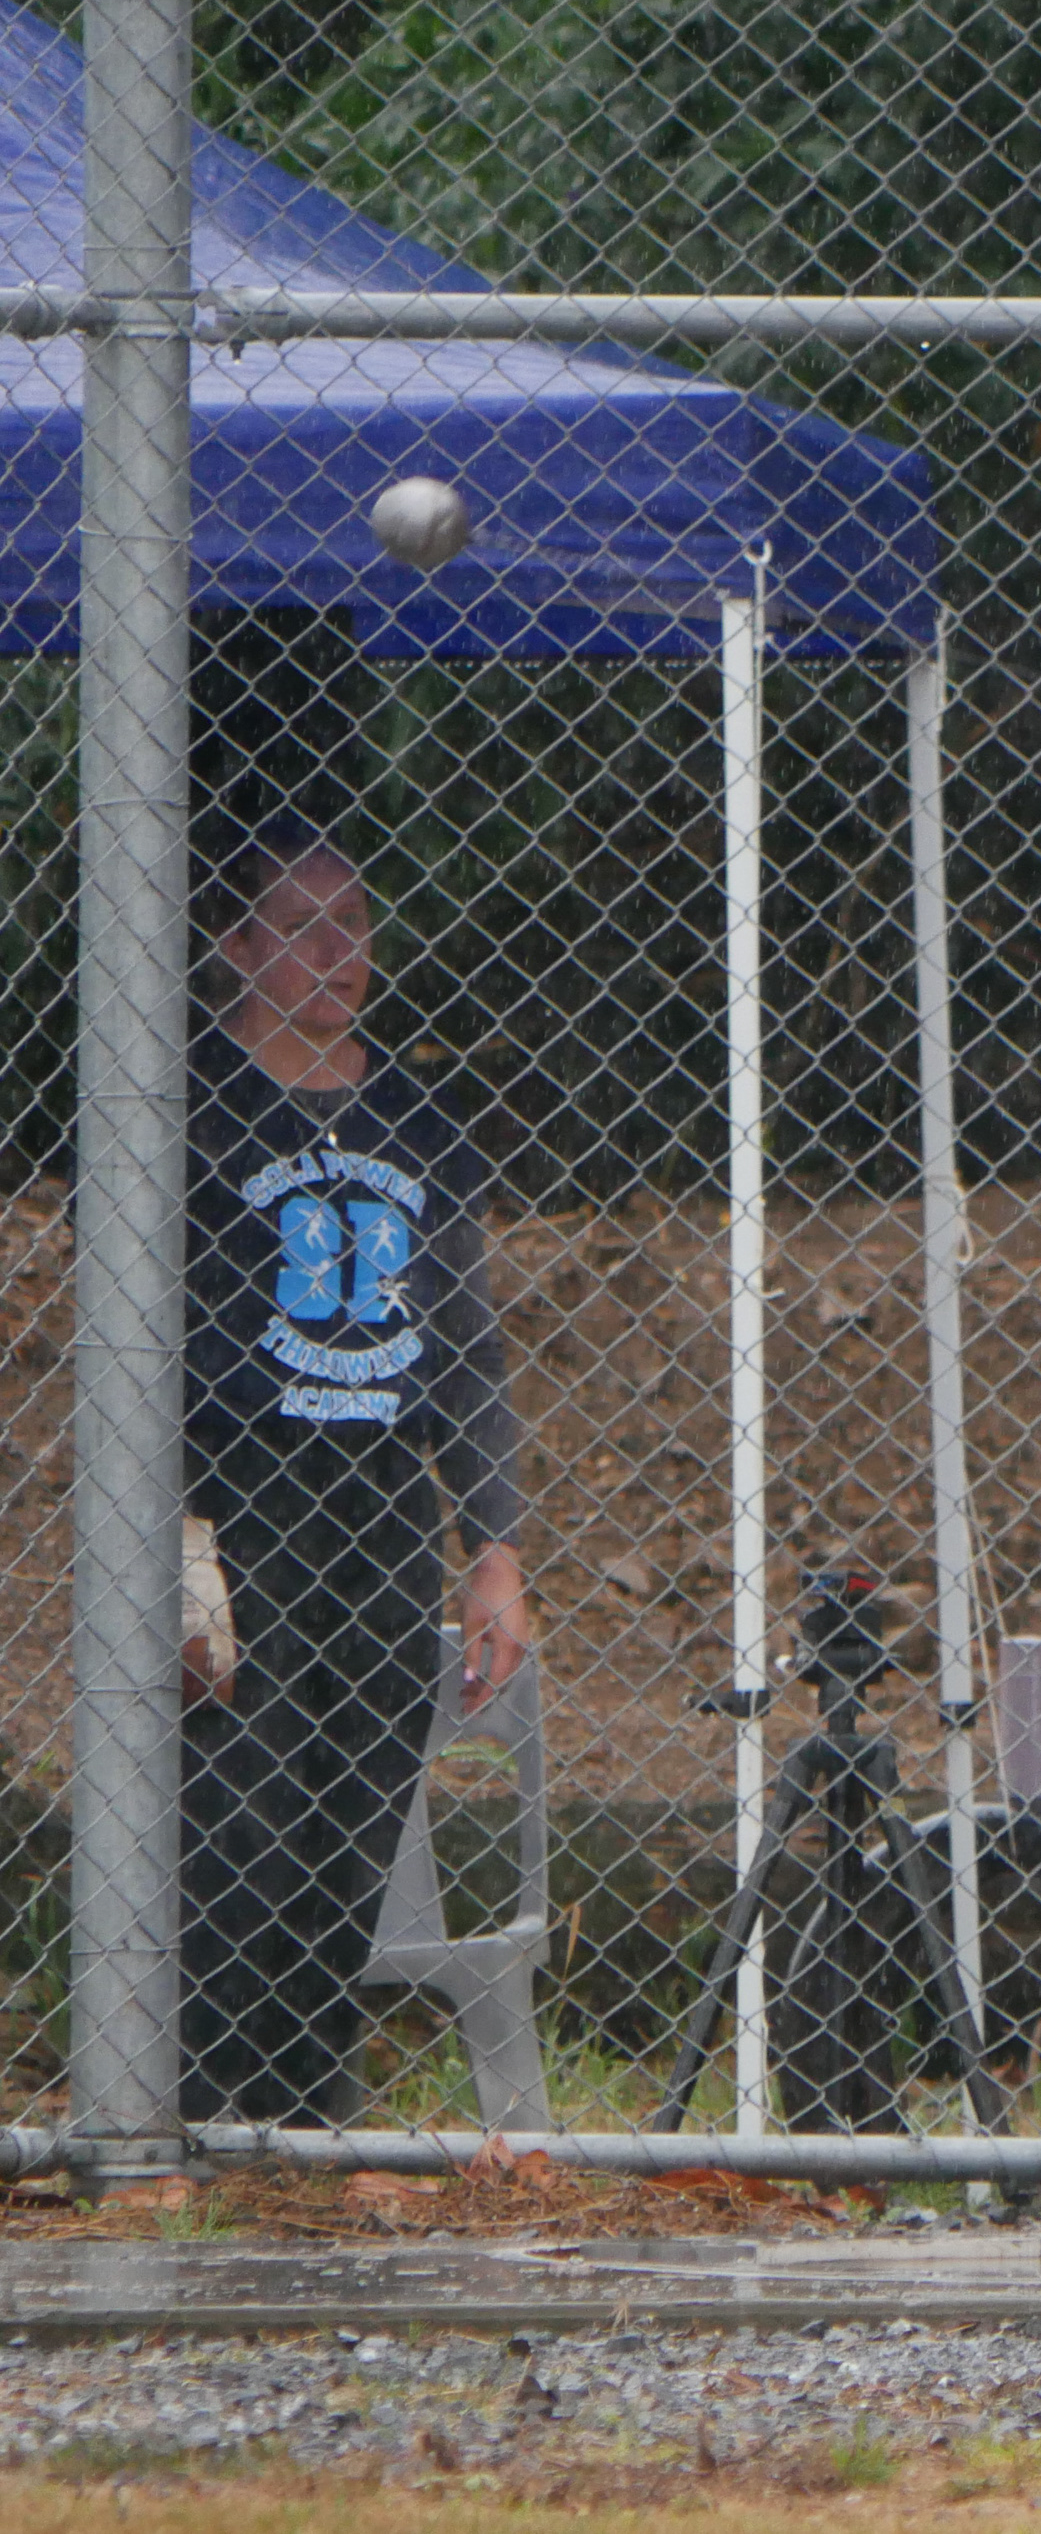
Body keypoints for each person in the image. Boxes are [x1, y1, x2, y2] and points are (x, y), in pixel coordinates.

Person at [181, 817, 533, 2125]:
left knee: (360, 1804)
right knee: (239, 1809)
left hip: (380, 1496)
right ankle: (201, 2104)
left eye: (356, 924)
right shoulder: (187, 1112)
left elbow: (468, 1350)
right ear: (237, 947)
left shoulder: (420, 1123)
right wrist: (175, 1531)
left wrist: (492, 1547)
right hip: (241, 1495)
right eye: (302, 926)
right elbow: (140, 1336)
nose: (338, 952)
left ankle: (313, 2107)